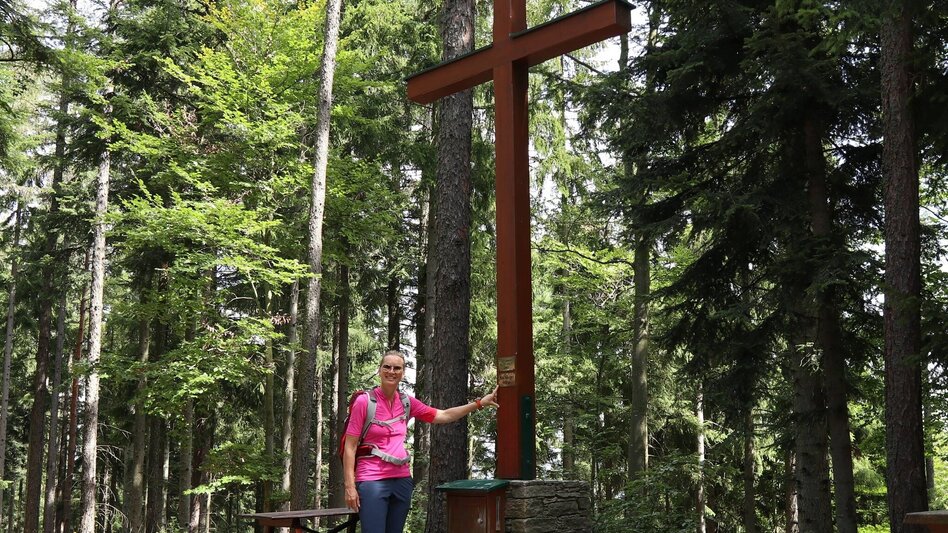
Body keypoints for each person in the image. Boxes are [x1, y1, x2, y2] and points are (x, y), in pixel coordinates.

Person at [343, 350, 499, 533]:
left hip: (401, 480)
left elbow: (443, 415)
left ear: (402, 373)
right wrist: (350, 487)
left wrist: (479, 403)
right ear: (379, 370)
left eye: (397, 368)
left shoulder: (407, 402)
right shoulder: (365, 402)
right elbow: (350, 446)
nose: (391, 371)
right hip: (371, 480)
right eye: (387, 367)